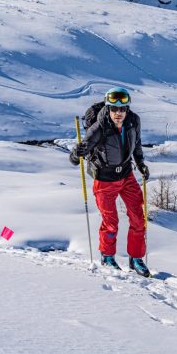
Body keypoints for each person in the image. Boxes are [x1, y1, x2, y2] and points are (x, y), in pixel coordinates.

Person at [69, 87, 152, 277]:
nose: (119, 113)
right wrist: (77, 153)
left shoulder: (133, 121)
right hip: (104, 180)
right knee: (111, 222)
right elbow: (74, 159)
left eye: (122, 109)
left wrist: (140, 164)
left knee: (139, 217)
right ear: (108, 108)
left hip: (126, 174)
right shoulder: (99, 127)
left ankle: (136, 259)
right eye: (114, 109)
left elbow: (136, 144)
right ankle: (107, 256)